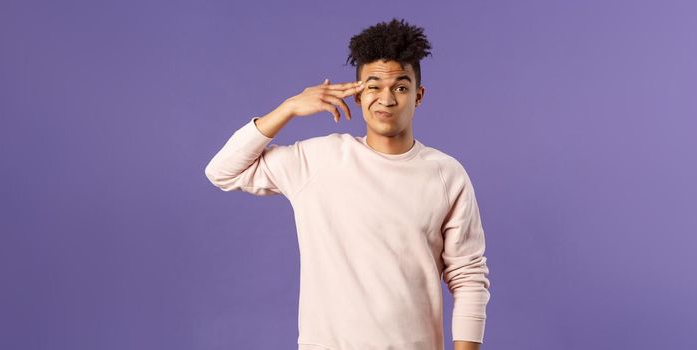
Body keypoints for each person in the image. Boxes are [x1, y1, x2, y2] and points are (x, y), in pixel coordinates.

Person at [204, 18, 490, 350]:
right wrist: (289, 108)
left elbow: (469, 278)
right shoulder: (317, 161)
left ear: (419, 95)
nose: (386, 99)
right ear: (357, 95)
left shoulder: (446, 175)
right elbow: (222, 171)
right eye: (373, 86)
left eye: (400, 86)